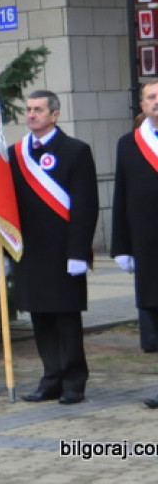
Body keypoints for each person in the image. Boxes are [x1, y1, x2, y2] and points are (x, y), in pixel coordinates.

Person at [9, 89, 98, 405]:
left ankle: (74, 381)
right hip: (31, 252)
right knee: (41, 319)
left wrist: (78, 252)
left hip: (63, 252)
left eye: (38, 110)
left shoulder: (75, 151)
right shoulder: (15, 154)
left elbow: (86, 206)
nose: (31, 114)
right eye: (29, 109)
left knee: (65, 319)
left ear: (55, 115)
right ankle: (51, 378)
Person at [112, 79, 158, 407]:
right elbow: (120, 196)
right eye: (151, 97)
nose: (156, 101)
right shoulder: (128, 145)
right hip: (148, 246)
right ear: (142, 105)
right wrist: (121, 246)